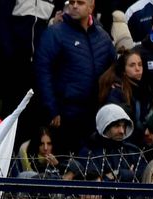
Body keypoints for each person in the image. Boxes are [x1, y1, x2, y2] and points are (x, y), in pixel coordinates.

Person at [33, 0, 115, 153]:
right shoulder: (55, 33)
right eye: (72, 2)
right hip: (66, 114)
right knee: (66, 161)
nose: (74, 6)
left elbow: (114, 70)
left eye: (80, 2)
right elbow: (43, 71)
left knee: (90, 164)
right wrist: (52, 108)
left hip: (94, 114)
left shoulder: (102, 36)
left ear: (91, 7)